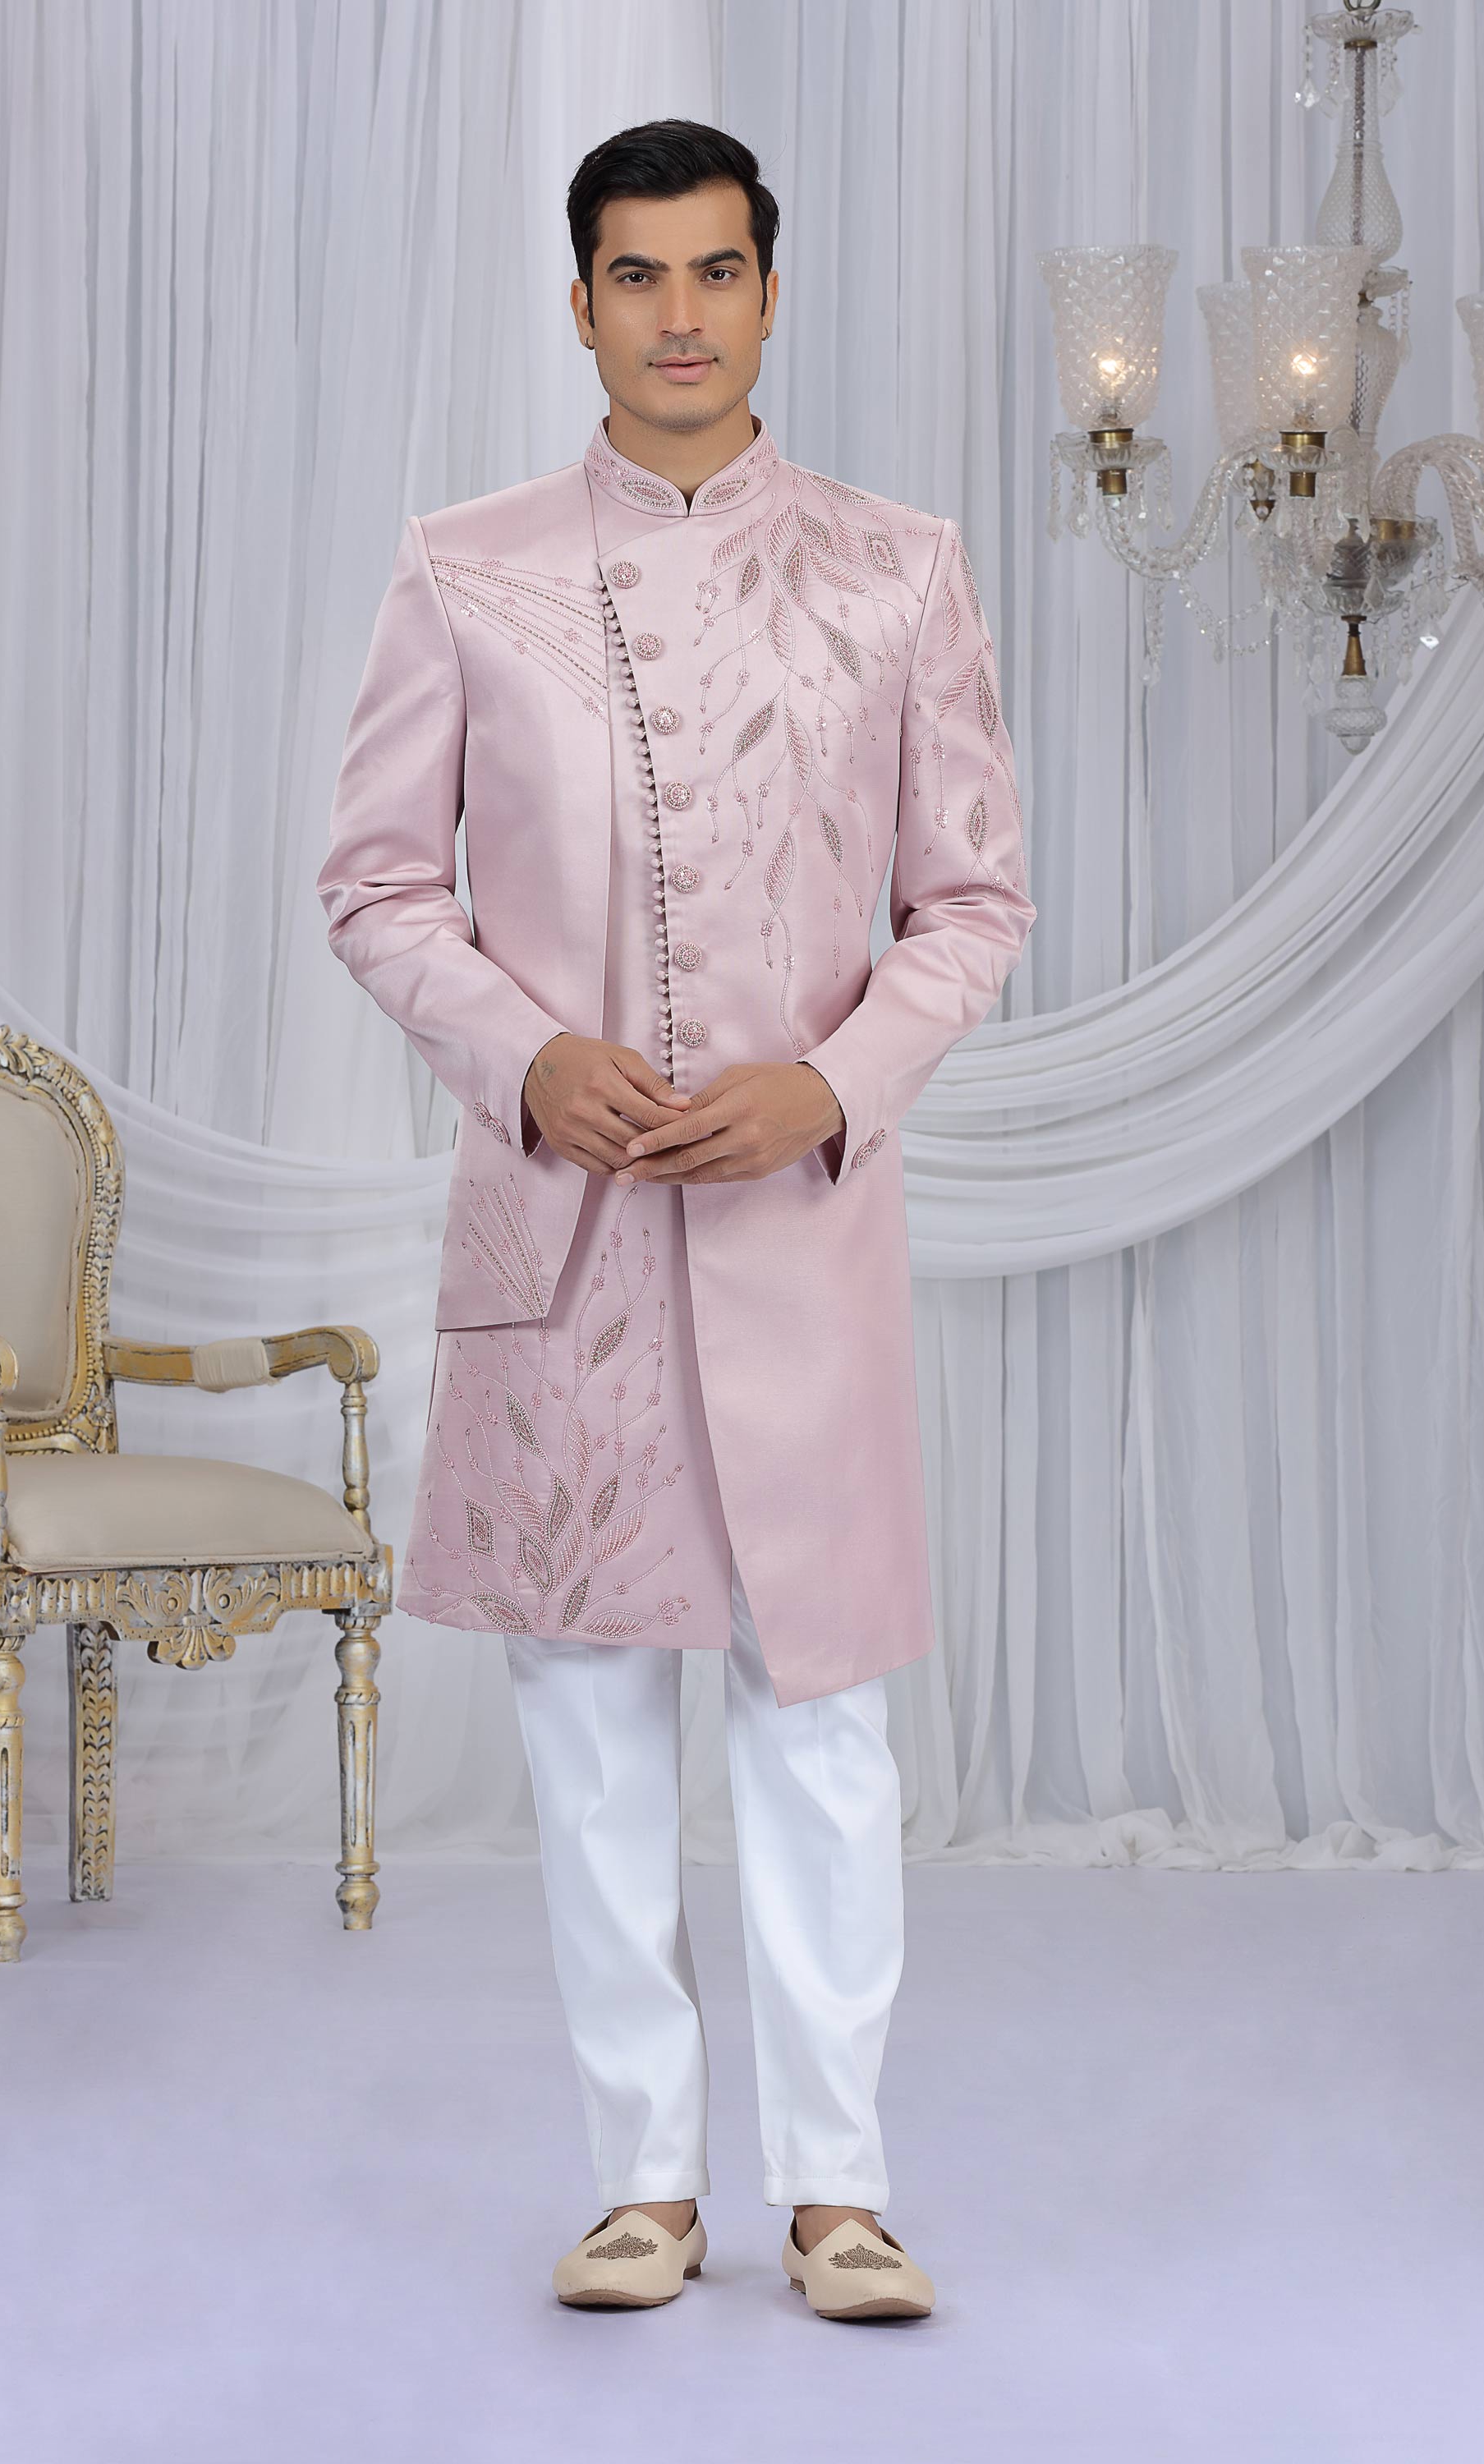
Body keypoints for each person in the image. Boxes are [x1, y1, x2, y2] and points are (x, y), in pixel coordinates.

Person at [316, 117, 1035, 2322]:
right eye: (638, 276)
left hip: (796, 1225)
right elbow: (378, 885)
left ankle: (840, 2193)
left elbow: (973, 901)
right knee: (587, 1710)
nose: (682, 316)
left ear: (772, 294)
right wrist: (524, 1053)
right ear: (580, 304)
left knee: (818, 1713)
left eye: (718, 272)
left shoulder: (897, 570)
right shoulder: (468, 571)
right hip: (567, 1231)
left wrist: (835, 1081)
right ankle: (642, 2182)